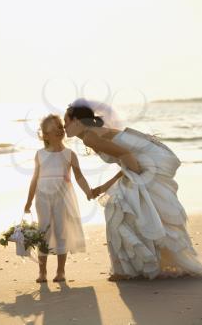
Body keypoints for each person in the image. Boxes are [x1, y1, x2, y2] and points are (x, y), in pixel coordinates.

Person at [64, 98, 202, 281]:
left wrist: (138, 182)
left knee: (122, 207)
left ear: (77, 121)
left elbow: (127, 155)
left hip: (146, 165)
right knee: (136, 209)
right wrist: (106, 186)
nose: (64, 127)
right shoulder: (93, 133)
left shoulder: (90, 137)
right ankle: (144, 264)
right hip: (141, 163)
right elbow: (125, 159)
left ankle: (131, 269)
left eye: (66, 122)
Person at [24, 114, 93, 283]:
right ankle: (42, 272)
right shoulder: (40, 154)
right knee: (43, 231)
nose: (59, 129)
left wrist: (88, 191)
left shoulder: (70, 154)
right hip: (43, 196)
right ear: (45, 135)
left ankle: (61, 271)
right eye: (54, 127)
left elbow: (79, 177)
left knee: (61, 231)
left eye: (60, 126)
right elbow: (34, 178)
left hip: (62, 196)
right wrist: (28, 201)